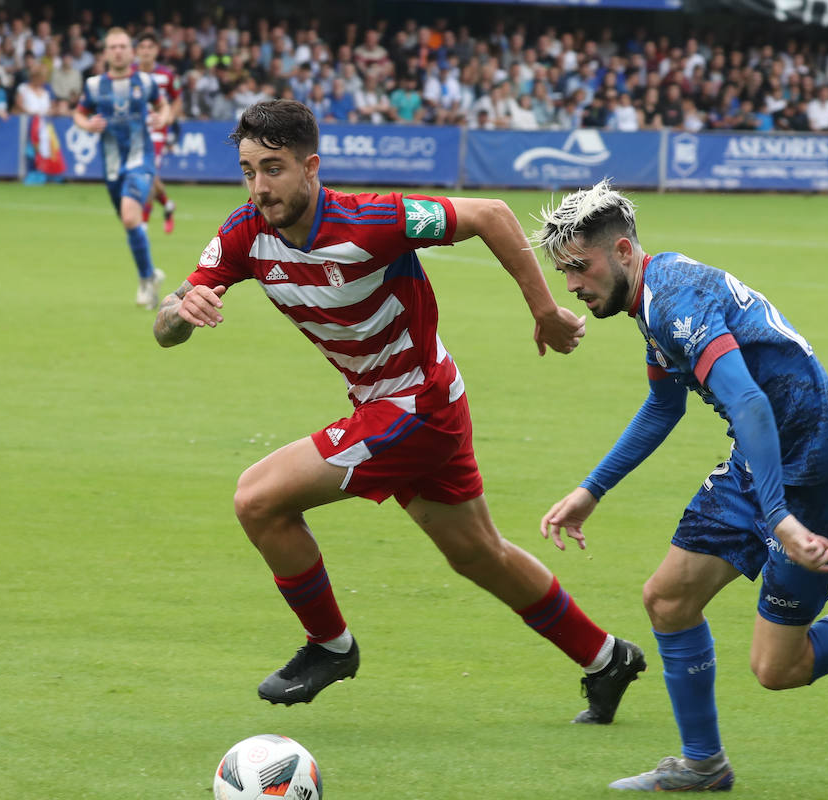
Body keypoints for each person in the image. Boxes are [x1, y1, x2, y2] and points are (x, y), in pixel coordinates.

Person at [151, 100, 645, 724]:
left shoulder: (373, 220)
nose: (259, 187)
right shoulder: (243, 235)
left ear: (311, 167)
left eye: (273, 169)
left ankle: (331, 647)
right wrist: (180, 314)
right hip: (412, 405)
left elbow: (491, 215)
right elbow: (167, 323)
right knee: (478, 554)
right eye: (248, 170)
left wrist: (544, 311)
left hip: (415, 409)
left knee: (257, 498)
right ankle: (606, 658)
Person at [535, 181, 828, 791]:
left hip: (815, 476)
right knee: (668, 600)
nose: (571, 284)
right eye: (563, 272)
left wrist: (778, 516)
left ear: (621, 251)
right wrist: (592, 490)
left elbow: (748, 400)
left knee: (780, 667)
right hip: (759, 461)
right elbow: (662, 407)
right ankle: (702, 764)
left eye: (578, 267)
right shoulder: (653, 298)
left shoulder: (673, 300)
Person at [73, 27, 171, 309]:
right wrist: (87, 124)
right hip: (112, 166)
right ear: (105, 53)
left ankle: (146, 278)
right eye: (112, 46)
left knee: (130, 217)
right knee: (130, 224)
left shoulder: (145, 81)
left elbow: (163, 106)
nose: (118, 51)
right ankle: (149, 275)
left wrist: (160, 119)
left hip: (141, 161)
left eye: (122, 46)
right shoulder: (93, 86)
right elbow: (79, 113)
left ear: (131, 51)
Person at [136, 31, 180, 235]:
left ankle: (143, 222)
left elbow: (177, 98)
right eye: (142, 47)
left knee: (148, 173)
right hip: (134, 130)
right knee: (147, 175)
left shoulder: (166, 75)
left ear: (156, 51)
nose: (146, 51)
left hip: (156, 131)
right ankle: (167, 204)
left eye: (150, 47)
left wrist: (169, 117)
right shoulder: (130, 73)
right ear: (137, 51)